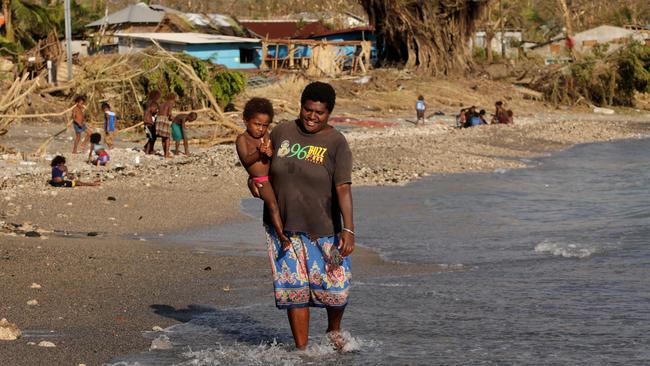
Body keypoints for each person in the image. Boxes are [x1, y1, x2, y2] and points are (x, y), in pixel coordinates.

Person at [250, 82, 354, 351]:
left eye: (319, 112)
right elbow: (262, 169)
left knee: (336, 288)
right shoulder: (283, 131)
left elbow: (343, 187)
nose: (312, 116)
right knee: (294, 292)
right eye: (308, 110)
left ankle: (333, 329)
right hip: (283, 230)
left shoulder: (336, 142)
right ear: (301, 107)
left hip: (325, 229)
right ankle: (302, 352)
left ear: (329, 112)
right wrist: (253, 182)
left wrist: (349, 229)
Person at [235, 98, 291, 250]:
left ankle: (289, 229)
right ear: (246, 121)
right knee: (272, 205)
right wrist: (259, 152)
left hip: (273, 177)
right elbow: (246, 160)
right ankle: (282, 236)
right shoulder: (242, 139)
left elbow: (272, 156)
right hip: (261, 180)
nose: (260, 129)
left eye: (265, 125)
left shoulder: (265, 137)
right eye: (257, 124)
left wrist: (269, 152)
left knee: (284, 203)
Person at [156, 93, 176, 158]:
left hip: (158, 119)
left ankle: (165, 153)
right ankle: (166, 155)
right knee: (167, 137)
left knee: (163, 137)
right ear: (173, 98)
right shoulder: (171, 103)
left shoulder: (162, 103)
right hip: (164, 119)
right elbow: (169, 114)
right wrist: (173, 118)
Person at [143, 90, 161, 155]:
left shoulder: (148, 102)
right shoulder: (152, 103)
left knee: (153, 137)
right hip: (149, 123)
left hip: (149, 122)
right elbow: (153, 110)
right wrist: (157, 111)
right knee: (152, 138)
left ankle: (149, 148)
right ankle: (147, 151)